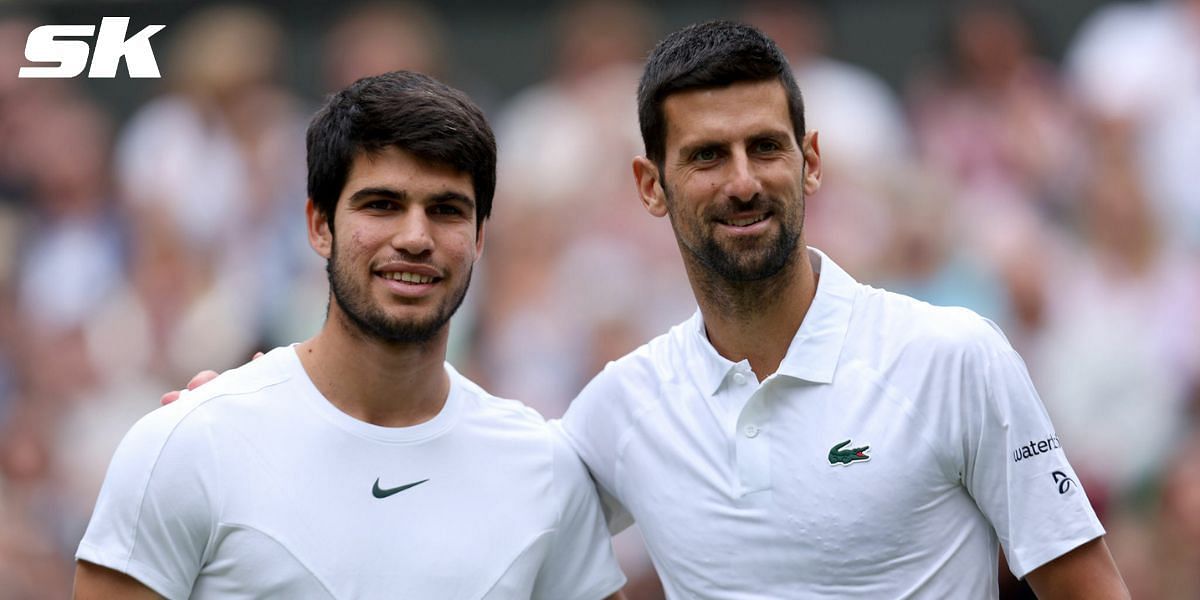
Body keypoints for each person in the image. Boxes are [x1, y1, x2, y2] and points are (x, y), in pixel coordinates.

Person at [558, 21, 1128, 598]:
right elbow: (518, 525)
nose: (744, 181)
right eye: (708, 156)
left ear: (810, 161)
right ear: (651, 186)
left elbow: (1087, 589)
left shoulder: (954, 356)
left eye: (765, 147)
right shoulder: (622, 406)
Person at [73, 71, 625, 600]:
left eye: (446, 210)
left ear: (479, 237)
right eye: (382, 205)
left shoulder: (543, 466)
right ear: (319, 225)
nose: (415, 237)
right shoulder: (188, 443)